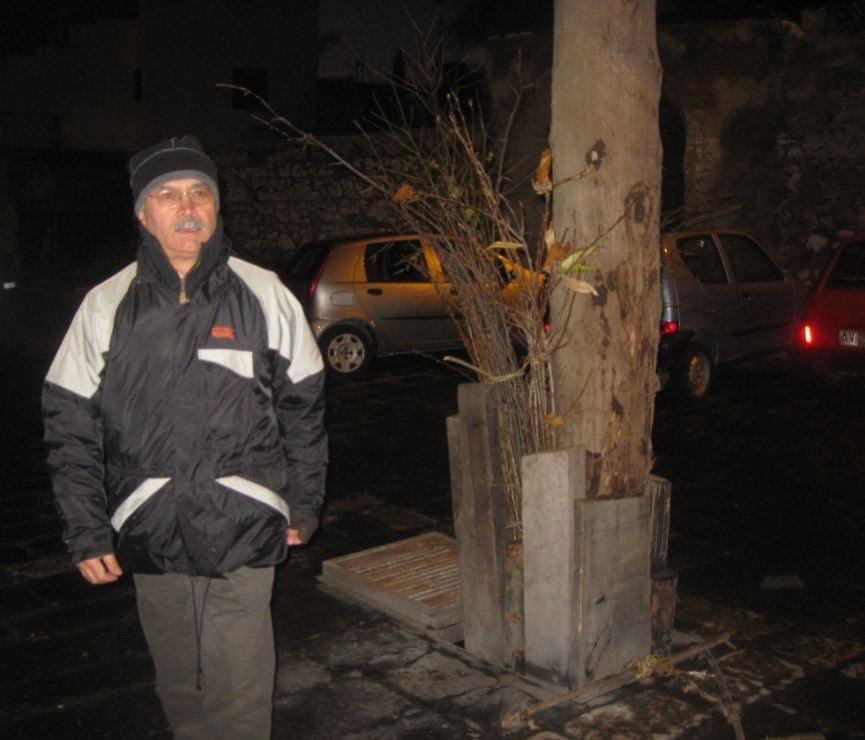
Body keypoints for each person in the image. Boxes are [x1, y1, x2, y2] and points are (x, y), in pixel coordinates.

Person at [42, 135, 327, 738]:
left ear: (217, 207)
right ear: (142, 213)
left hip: (245, 520)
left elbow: (303, 407)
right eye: (168, 195)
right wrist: (87, 530)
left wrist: (303, 502)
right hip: (149, 523)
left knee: (240, 688)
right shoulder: (105, 305)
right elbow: (69, 424)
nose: (188, 207)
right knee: (178, 681)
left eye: (200, 192)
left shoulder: (265, 293)